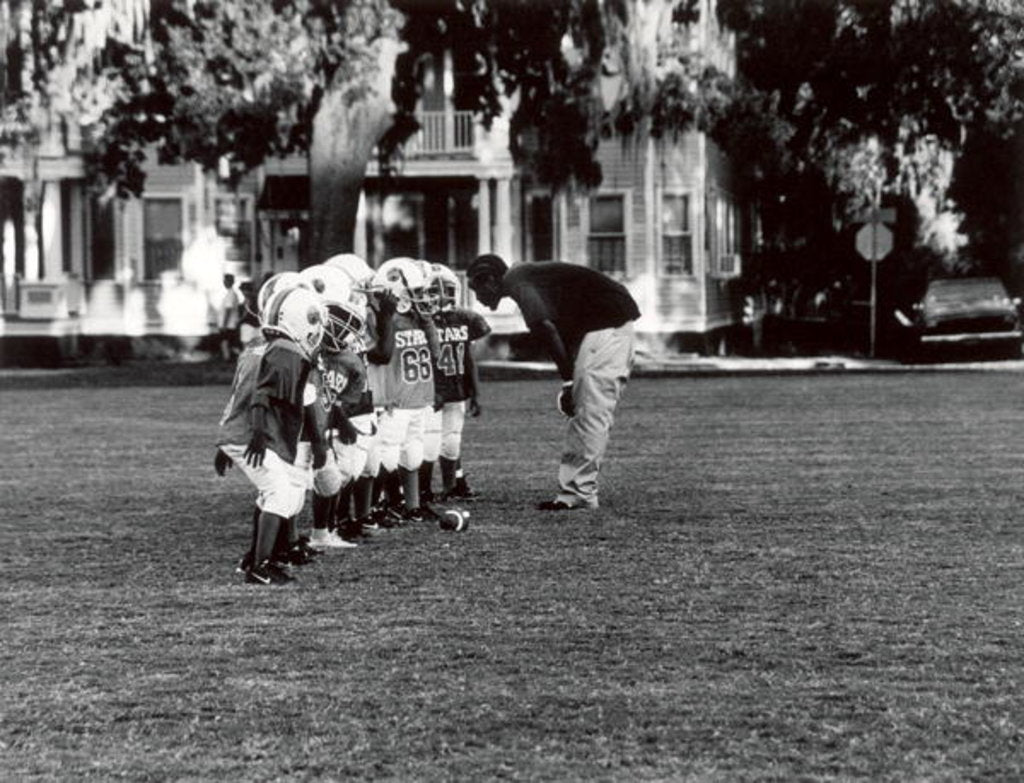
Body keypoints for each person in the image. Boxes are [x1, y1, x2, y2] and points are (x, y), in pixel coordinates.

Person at [466, 254, 640, 511]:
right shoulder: (529, 278)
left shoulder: (517, 280)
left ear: (490, 280)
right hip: (604, 327)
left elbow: (546, 329)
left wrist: (569, 380)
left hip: (607, 328)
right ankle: (576, 489)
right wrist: (569, 382)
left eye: (476, 289)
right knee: (585, 411)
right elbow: (562, 328)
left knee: (589, 413)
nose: (477, 298)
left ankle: (579, 492)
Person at [215, 284, 329, 585]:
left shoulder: (256, 348)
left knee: (278, 493)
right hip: (255, 434)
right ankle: (259, 566)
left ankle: (254, 559)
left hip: (244, 432)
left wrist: (225, 443)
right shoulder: (287, 352)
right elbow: (260, 397)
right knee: (279, 493)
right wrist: (257, 435)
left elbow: (239, 396)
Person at [420, 262, 491, 503]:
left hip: (456, 390)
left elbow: (469, 358)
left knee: (451, 441)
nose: (440, 296)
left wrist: (475, 393)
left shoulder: (464, 318)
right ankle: (421, 490)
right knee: (425, 443)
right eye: (434, 291)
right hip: (428, 391)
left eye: (446, 290)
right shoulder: (421, 322)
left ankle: (451, 487)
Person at [218, 273, 242, 361]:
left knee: (226, 341)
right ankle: (229, 357)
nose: (224, 282)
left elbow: (228, 310)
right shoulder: (230, 293)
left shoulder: (231, 294)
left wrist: (224, 324)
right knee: (229, 342)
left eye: (226, 280)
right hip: (230, 323)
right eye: (224, 280)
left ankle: (227, 358)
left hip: (229, 324)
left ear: (231, 282)